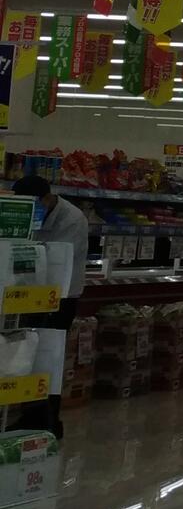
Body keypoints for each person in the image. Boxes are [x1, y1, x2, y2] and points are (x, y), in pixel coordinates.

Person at [12, 175, 87, 437]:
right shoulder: (26, 214)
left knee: (48, 356)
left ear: (47, 197)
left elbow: (54, 258)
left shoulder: (72, 219)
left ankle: (48, 422)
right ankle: (28, 417)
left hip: (60, 298)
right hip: (29, 294)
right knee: (26, 356)